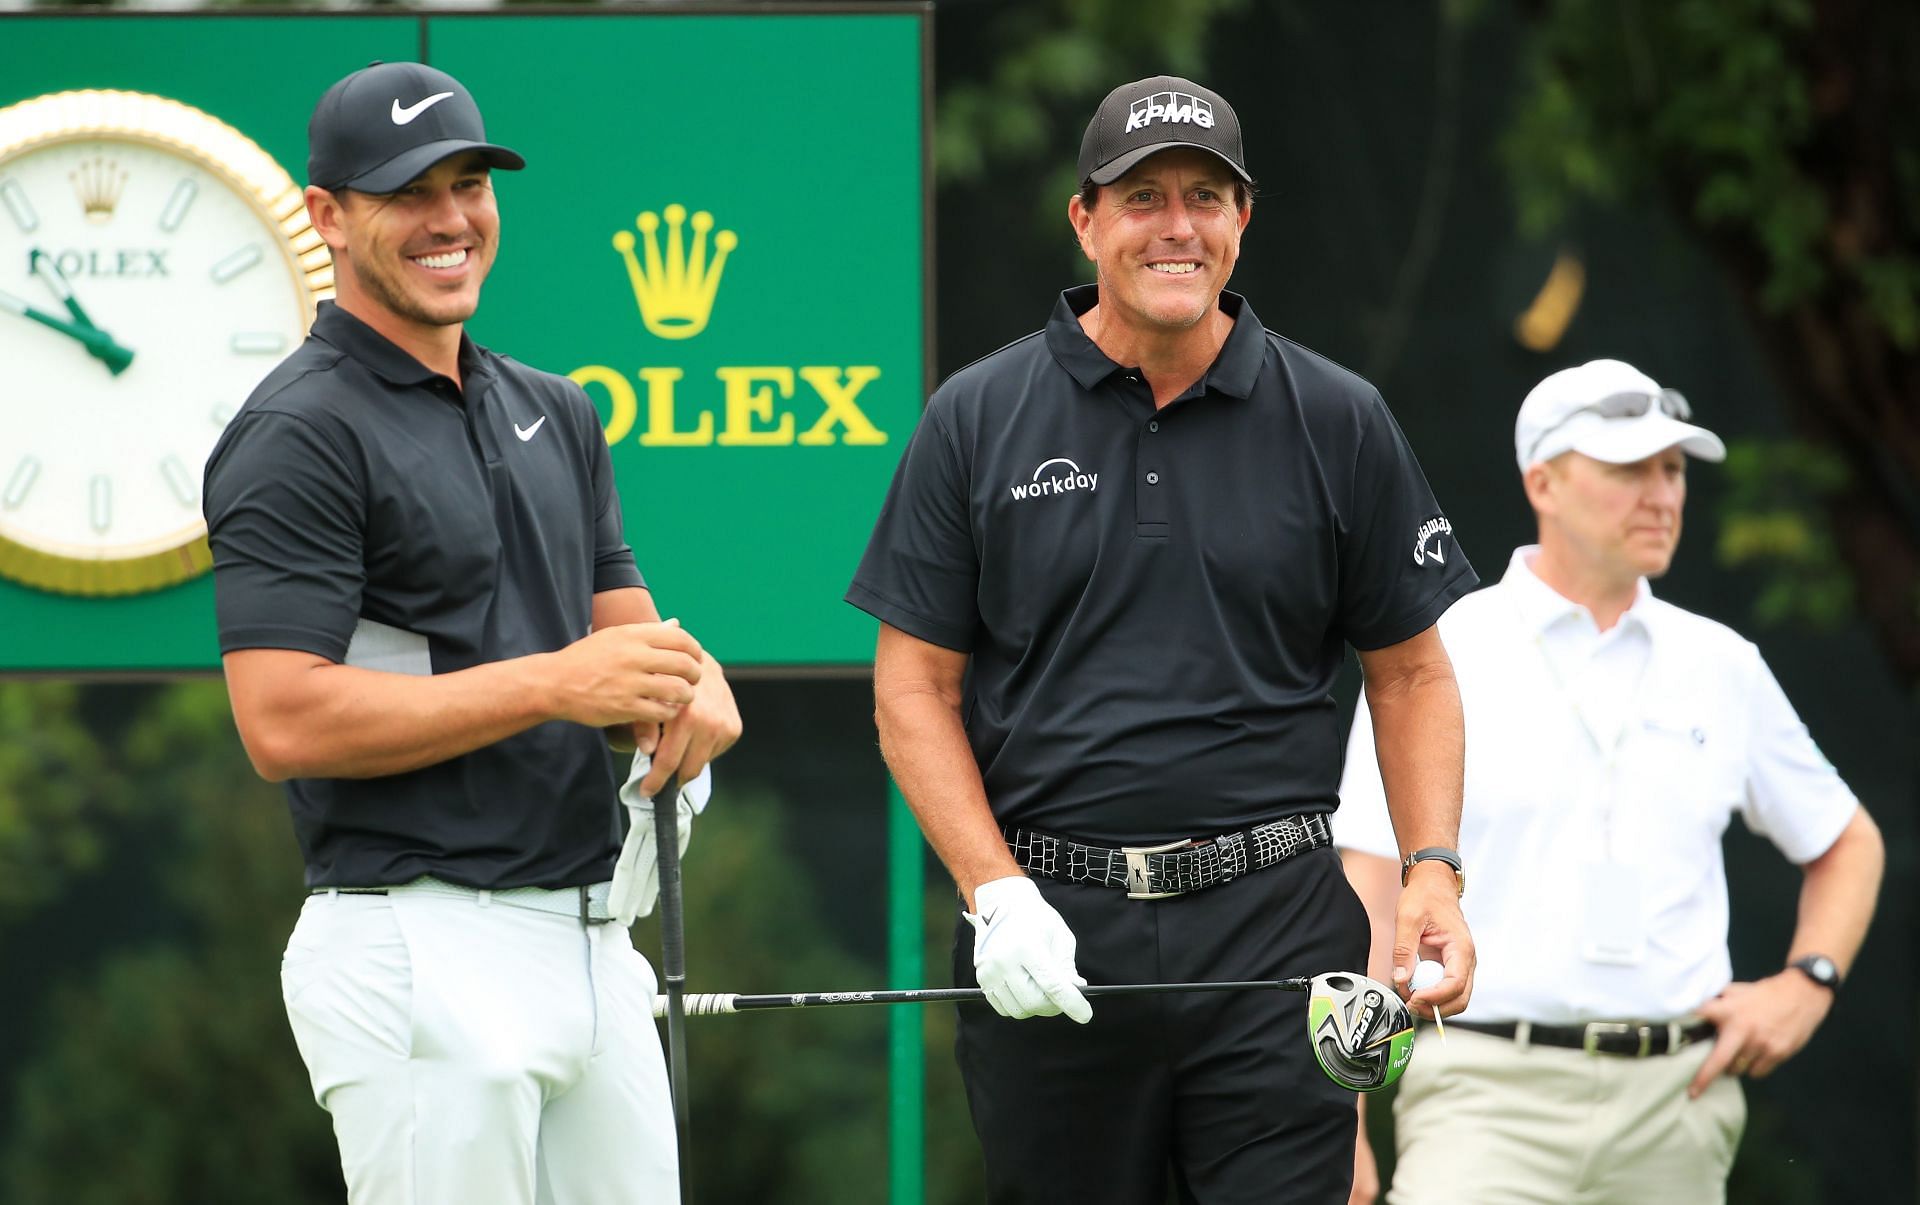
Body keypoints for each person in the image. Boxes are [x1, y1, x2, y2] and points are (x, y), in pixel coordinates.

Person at [847, 75, 1479, 1203]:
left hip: (1278, 927)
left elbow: (1414, 669)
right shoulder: (977, 416)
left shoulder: (1339, 417)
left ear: (1244, 221)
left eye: (1206, 195)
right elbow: (911, 691)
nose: (1177, 225)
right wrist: (995, 892)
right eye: (1142, 197)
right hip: (1051, 926)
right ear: (1086, 220)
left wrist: (1432, 865)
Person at [203, 61, 740, 1204]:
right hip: (415, 939)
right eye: (409, 192)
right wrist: (555, 683)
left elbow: (630, 642)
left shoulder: (558, 405)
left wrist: (689, 689)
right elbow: (279, 717)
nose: (451, 219)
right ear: (327, 218)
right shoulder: (296, 433)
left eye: (469, 183)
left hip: (595, 937)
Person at [1337, 359, 1885, 1205]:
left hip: (1678, 1107)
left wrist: (1806, 984)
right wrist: (1348, 1111)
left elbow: (1849, 840)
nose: (1662, 493)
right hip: (1484, 1096)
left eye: (1673, 469)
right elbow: (1372, 887)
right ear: (1543, 481)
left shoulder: (1722, 664)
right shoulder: (1442, 651)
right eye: (1629, 468)